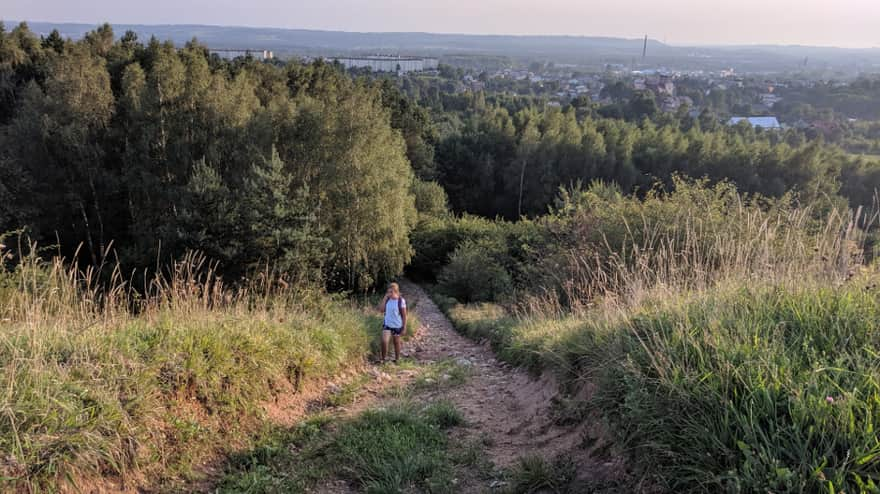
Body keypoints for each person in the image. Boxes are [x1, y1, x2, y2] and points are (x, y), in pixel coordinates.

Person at [378, 282, 407, 363]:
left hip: (397, 325)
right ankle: (383, 359)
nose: (389, 294)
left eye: (391, 292)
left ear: (396, 291)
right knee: (384, 341)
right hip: (387, 324)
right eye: (388, 292)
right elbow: (381, 310)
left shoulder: (401, 300)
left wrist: (404, 327)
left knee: (396, 342)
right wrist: (384, 298)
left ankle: (397, 359)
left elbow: (404, 315)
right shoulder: (387, 299)